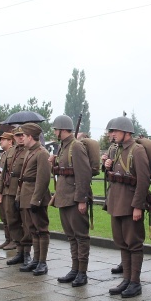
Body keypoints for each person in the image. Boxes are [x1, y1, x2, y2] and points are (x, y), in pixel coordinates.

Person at [104, 116, 151, 297]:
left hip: (130, 204)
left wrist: (138, 206)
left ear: (126, 132)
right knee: (122, 243)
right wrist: (106, 165)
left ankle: (135, 282)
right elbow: (114, 175)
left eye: (115, 131)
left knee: (134, 244)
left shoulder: (137, 150)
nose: (112, 134)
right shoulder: (116, 150)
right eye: (111, 132)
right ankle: (126, 279)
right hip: (116, 202)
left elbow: (143, 180)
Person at [51, 115, 93, 287]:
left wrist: (82, 200)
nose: (54, 132)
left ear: (62, 129)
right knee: (71, 237)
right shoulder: (64, 146)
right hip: (64, 198)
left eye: (55, 129)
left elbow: (84, 174)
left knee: (81, 237)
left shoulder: (75, 146)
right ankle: (75, 269)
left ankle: (82, 272)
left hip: (75, 199)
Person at [17, 123, 51, 276]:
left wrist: (36, 200)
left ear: (30, 136)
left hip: (36, 197)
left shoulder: (41, 153)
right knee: (32, 230)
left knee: (41, 230)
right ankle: (36, 260)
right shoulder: (30, 151)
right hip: (26, 195)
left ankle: (42, 262)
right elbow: (23, 177)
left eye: (23, 135)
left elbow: (43, 179)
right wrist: (19, 196)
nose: (21, 138)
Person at [0, 128, 31, 266]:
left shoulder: (29, 151)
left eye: (22, 135)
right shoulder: (10, 152)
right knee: (12, 220)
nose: (20, 138)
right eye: (17, 136)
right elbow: (4, 172)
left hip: (22, 190)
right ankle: (19, 250)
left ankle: (27, 252)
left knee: (25, 223)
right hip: (8, 190)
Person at [0, 133, 16, 250]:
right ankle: (8, 239)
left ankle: (13, 239)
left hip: (8, 187)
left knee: (10, 215)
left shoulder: (12, 153)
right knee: (3, 215)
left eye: (3, 139)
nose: (1, 141)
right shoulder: (4, 154)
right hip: (1, 187)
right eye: (1, 139)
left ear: (10, 141)